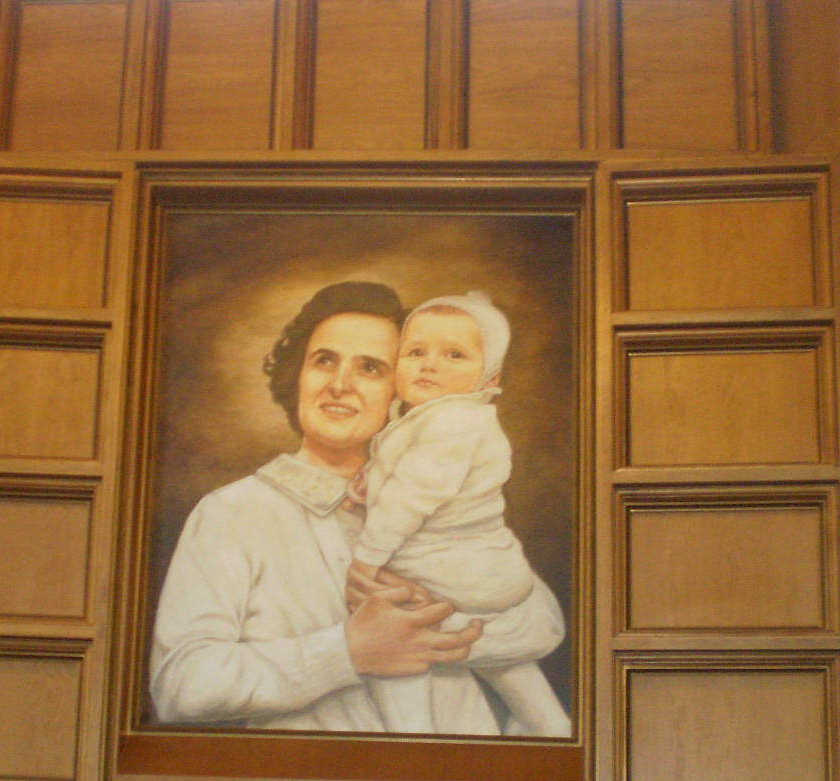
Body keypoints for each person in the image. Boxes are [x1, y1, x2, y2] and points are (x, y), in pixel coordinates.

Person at [149, 281, 567, 734]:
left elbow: (543, 626)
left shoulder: (446, 500)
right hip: (316, 775)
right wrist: (346, 652)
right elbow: (181, 686)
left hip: (469, 773)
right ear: (298, 375)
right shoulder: (232, 513)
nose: (340, 385)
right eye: (324, 361)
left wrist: (443, 615)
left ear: (403, 390)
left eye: (370, 368)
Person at [347, 292, 569, 735]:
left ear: (490, 378)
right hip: (486, 571)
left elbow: (410, 498)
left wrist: (366, 560)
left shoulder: (453, 423)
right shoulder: (441, 418)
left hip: (452, 572)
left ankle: (412, 737)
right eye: (416, 352)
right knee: (503, 660)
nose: (430, 365)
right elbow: (404, 469)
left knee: (401, 639)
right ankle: (550, 727)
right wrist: (370, 482)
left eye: (454, 355)